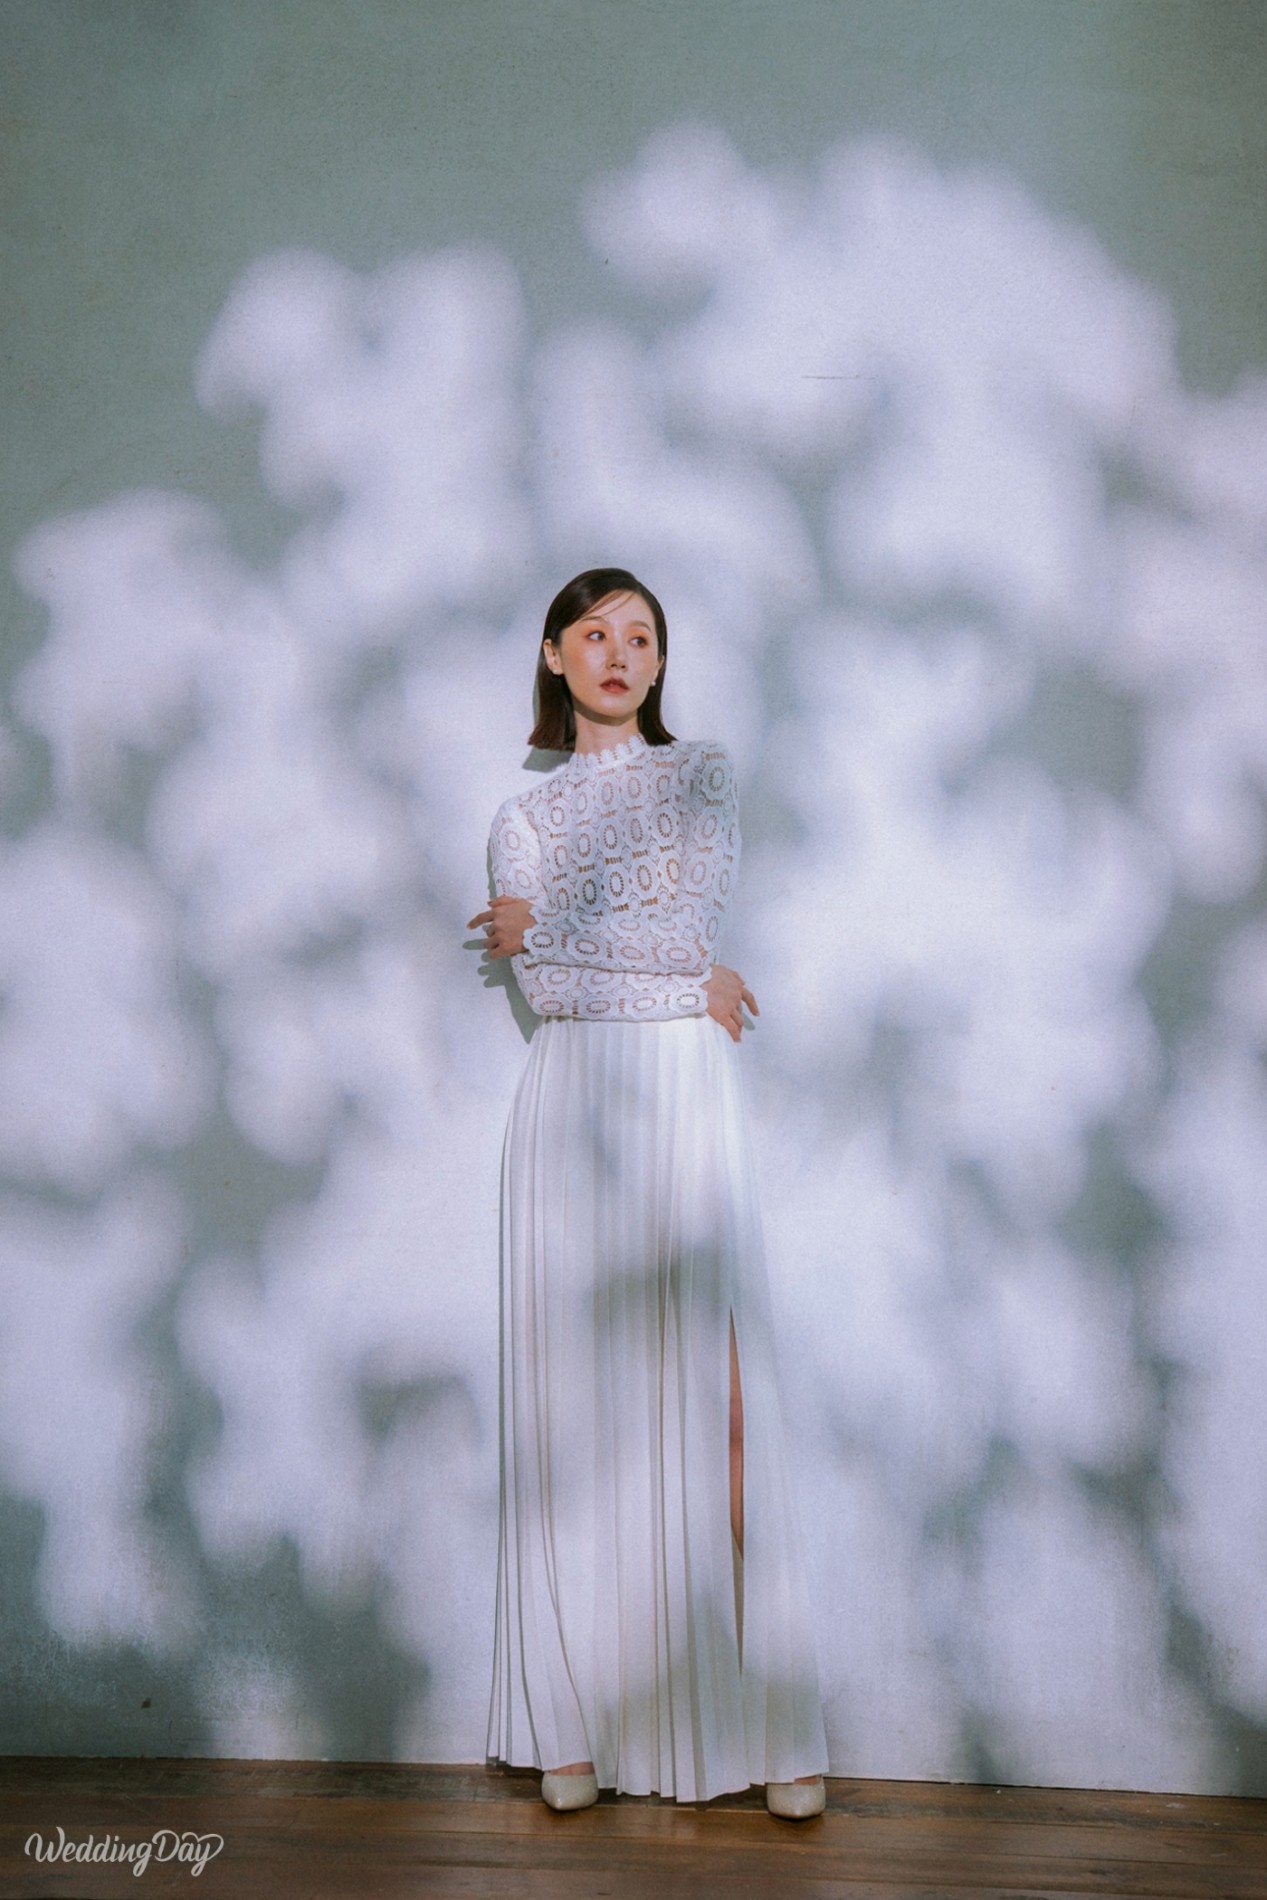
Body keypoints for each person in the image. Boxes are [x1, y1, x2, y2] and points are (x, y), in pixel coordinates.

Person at [470, 568, 827, 1819]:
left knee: (725, 1402)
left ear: (661, 663)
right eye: (594, 633)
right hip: (572, 1108)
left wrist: (556, 932)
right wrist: (680, 978)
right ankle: (571, 1730)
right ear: (554, 655)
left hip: (684, 1096)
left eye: (640, 636)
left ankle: (772, 1727)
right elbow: (556, 990)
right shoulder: (522, 816)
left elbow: (687, 928)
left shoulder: (701, 775)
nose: (618, 652)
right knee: (578, 1418)